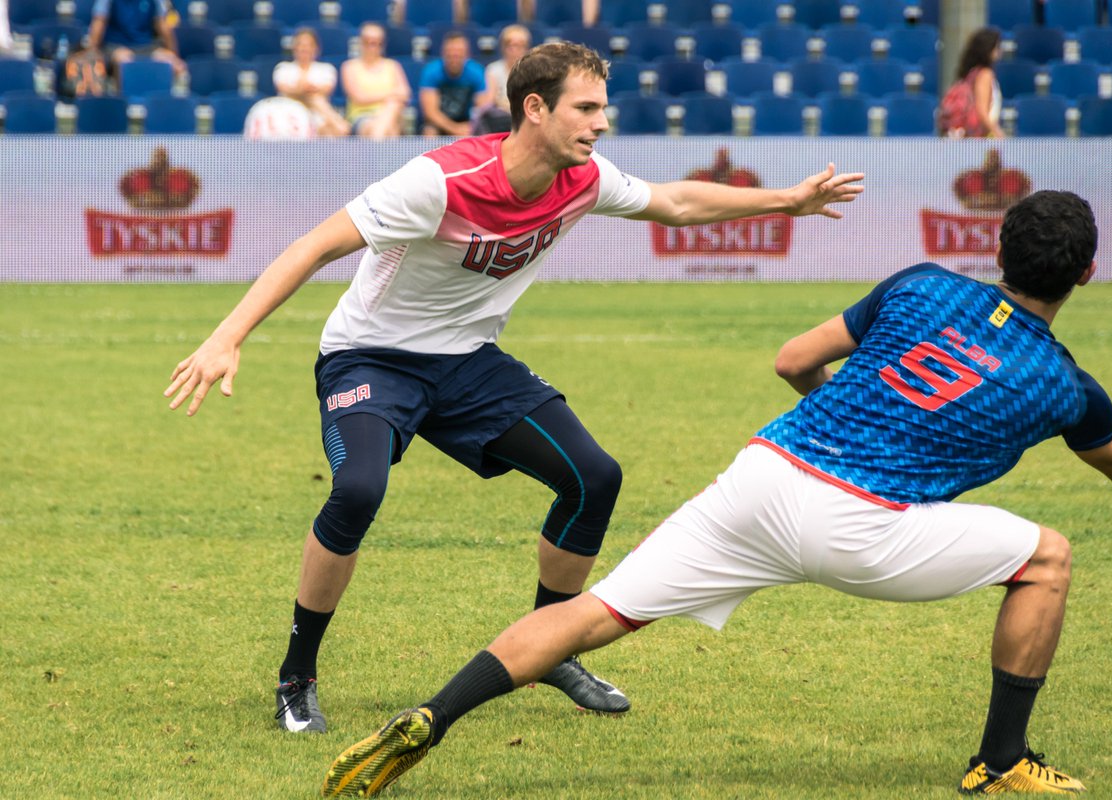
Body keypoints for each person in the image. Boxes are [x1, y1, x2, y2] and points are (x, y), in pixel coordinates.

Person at [316, 190, 1112, 798]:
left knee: (594, 614)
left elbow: (792, 361)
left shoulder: (922, 284)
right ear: (1085, 275)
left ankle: (433, 715)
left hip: (761, 479)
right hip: (868, 531)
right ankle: (1001, 762)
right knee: (1047, 556)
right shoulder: (1068, 387)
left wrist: (857, 418)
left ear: (996, 249)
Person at [163, 41, 863, 737]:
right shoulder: (438, 182)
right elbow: (313, 246)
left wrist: (789, 200)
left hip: (468, 362)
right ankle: (296, 679)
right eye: (586, 108)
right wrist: (227, 337)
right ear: (535, 109)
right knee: (357, 491)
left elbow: (675, 202)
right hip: (371, 359)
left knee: (594, 477)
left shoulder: (583, 178)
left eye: (603, 108)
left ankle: (551, 647)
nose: (602, 122)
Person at [86, 0, 187, 88]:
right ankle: (124, 101)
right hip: (115, 46)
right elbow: (98, 25)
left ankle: (161, 102)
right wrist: (92, 53)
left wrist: (174, 55)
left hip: (146, 46)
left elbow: (164, 28)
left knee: (174, 64)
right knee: (124, 59)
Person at [274, 27, 350, 138]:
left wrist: (299, 91)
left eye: (308, 45)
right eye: (300, 44)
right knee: (315, 99)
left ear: (316, 49)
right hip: (288, 116)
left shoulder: (326, 69)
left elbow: (325, 90)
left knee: (329, 130)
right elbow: (284, 89)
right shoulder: (283, 68)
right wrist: (306, 90)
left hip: (318, 115)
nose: (304, 48)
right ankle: (338, 122)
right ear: (294, 48)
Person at [341, 22, 411, 140]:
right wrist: (390, 94)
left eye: (375, 42)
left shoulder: (393, 66)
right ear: (360, 42)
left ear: (382, 44)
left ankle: (377, 145)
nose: (371, 46)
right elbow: (359, 97)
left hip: (392, 116)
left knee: (392, 108)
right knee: (385, 125)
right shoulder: (349, 67)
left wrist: (384, 101)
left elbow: (404, 94)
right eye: (367, 42)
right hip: (361, 117)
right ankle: (380, 144)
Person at [418, 31, 487, 137]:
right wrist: (454, 129)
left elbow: (482, 108)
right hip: (439, 123)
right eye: (451, 51)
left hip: (467, 122)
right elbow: (430, 112)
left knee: (483, 131)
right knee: (429, 132)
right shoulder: (431, 71)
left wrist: (470, 126)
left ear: (467, 54)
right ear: (443, 53)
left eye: (459, 51)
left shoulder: (476, 71)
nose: (455, 55)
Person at [939, 27, 1004, 139]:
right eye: (997, 47)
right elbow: (982, 112)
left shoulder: (971, 73)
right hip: (979, 138)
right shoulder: (985, 75)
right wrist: (999, 134)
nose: (1000, 51)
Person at [475, 23, 530, 134]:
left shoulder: (533, 70)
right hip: (501, 119)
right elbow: (489, 101)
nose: (515, 50)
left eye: (520, 46)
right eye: (511, 45)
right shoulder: (493, 70)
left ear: (526, 48)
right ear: (503, 48)